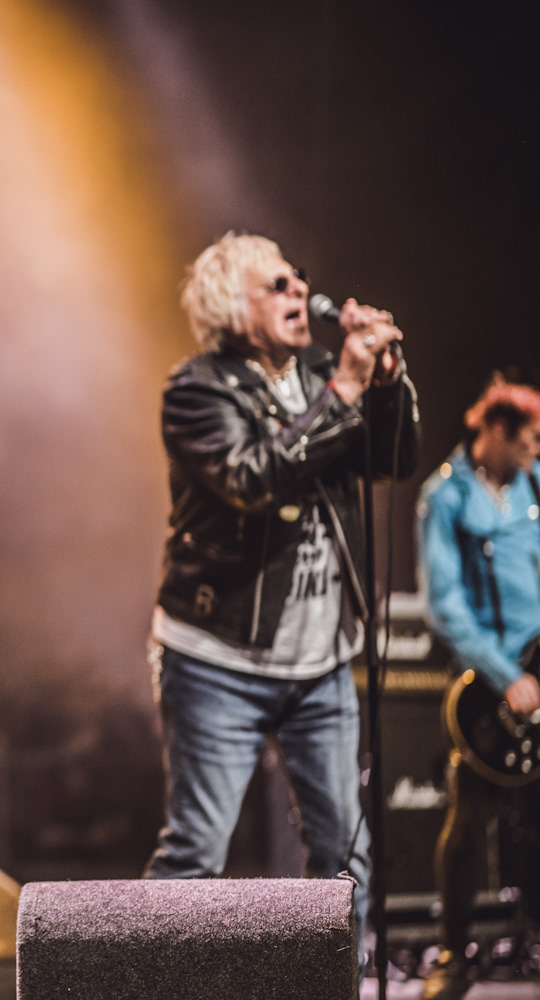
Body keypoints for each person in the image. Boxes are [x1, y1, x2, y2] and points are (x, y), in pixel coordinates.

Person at [142, 232, 420, 963]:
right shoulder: (197, 390)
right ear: (231, 305)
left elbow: (392, 461)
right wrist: (349, 390)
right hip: (215, 661)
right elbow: (253, 479)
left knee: (343, 861)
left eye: (300, 280)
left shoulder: (326, 372)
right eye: (278, 285)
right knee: (195, 855)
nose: (300, 292)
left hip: (321, 663)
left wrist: (386, 382)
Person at [417, 378, 540, 1000]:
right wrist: (506, 675)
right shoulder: (445, 496)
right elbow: (444, 605)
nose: (536, 450)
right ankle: (453, 954)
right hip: (489, 685)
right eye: (530, 438)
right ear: (496, 430)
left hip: (538, 668)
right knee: (469, 822)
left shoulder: (536, 486)